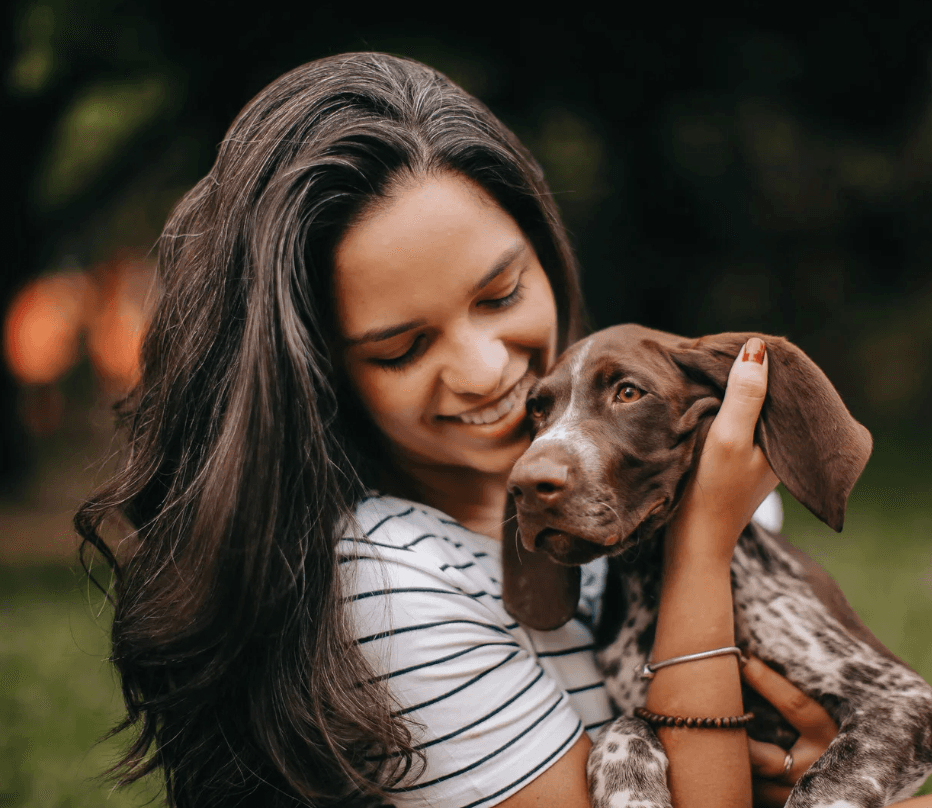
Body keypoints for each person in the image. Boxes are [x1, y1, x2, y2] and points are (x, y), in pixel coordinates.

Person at [75, 52, 923, 808]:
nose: (488, 374)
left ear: (545, 250)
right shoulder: (386, 586)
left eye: (501, 294)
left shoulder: (651, 483)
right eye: (404, 347)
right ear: (319, 375)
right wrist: (703, 544)